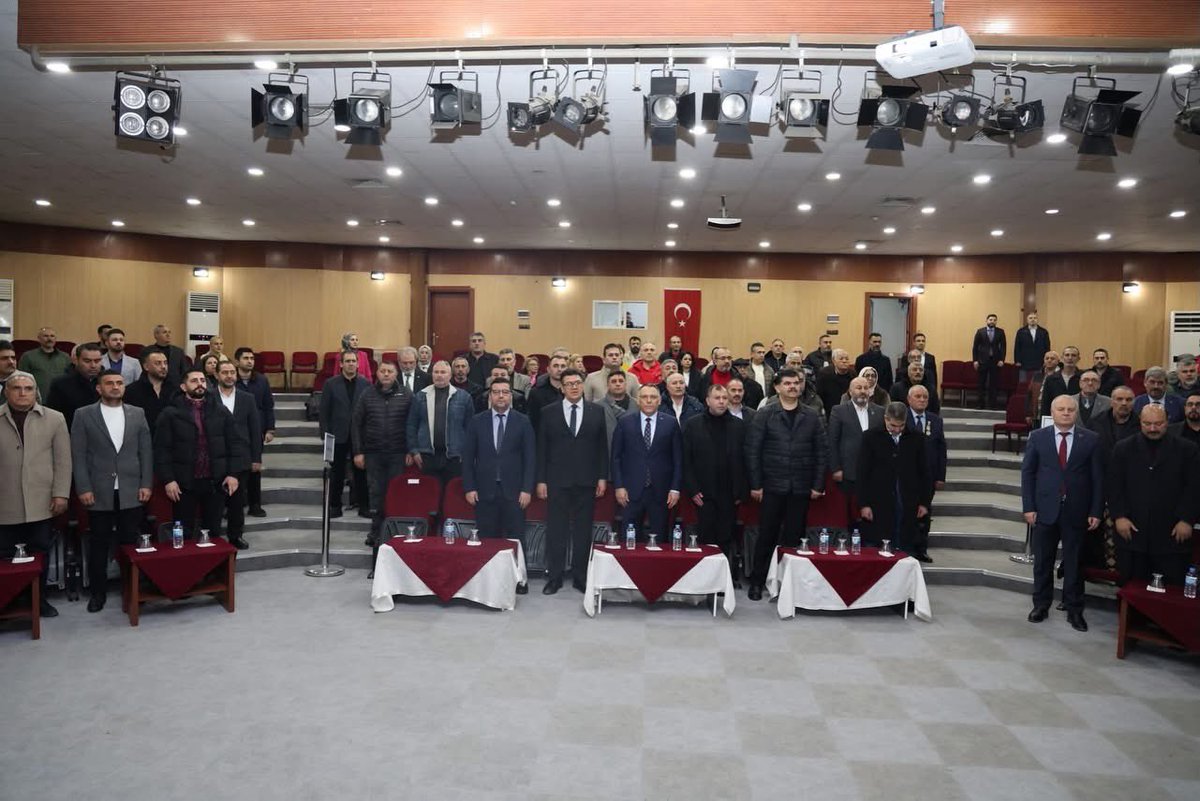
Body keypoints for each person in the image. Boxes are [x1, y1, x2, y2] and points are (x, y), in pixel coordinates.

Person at [71, 370, 153, 612]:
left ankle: (132, 587)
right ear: (99, 388)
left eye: (119, 383)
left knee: (130, 541)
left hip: (131, 489)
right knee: (99, 544)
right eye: (109, 383)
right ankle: (98, 593)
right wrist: (83, 487)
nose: (116, 387)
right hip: (98, 490)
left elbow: (146, 452)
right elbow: (78, 455)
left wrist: (146, 483)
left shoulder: (137, 413)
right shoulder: (84, 415)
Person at [1020, 395, 1104, 632]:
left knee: (1075, 563)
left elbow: (1098, 478)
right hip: (1044, 510)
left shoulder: (1091, 439)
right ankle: (1041, 605)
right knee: (1043, 562)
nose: (1066, 413)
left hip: (1077, 511)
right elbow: (1028, 474)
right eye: (1061, 409)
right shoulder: (1038, 437)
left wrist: (1096, 510)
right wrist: (1028, 506)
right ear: (1052, 412)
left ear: (1076, 413)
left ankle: (1074, 609)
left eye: (1070, 409)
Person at [744, 369, 827, 601]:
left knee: (794, 537)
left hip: (800, 487)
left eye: (796, 383)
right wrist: (756, 484)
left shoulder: (812, 415)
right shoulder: (765, 414)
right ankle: (758, 582)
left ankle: (789, 586)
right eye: (788, 383)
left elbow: (822, 452)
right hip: (771, 486)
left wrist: (818, 484)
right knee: (766, 536)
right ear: (777, 387)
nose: (793, 387)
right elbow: (753, 451)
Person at [0, 371, 70, 618]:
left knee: (39, 552)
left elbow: (63, 461)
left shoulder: (54, 418)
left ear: (35, 391)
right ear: (6, 392)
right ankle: (8, 600)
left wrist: (61, 494)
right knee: (6, 555)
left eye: (28, 388)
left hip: (42, 500)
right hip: (5, 501)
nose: (22, 393)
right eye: (16, 388)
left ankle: (39, 600)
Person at [1107, 404, 1200, 587]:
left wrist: (1187, 519)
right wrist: (1119, 516)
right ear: (1140, 422)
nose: (1152, 428)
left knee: (1171, 590)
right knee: (1132, 587)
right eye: (1147, 423)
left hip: (1172, 534)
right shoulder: (1123, 448)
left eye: (1158, 424)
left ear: (1167, 422)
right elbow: (1114, 486)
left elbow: (1194, 487)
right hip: (1132, 532)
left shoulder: (1187, 449)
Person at [535, 368, 608, 595]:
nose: (574, 387)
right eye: (569, 384)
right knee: (556, 531)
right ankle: (554, 577)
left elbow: (602, 448)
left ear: (583, 385)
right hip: (556, 481)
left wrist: (602, 477)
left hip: (587, 481)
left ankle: (580, 577)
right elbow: (542, 449)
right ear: (562, 387)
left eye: (578, 383)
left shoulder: (597, 411)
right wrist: (541, 480)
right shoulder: (548, 412)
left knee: (583, 532)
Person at [461, 376, 534, 594]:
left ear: (511, 396)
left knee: (516, 538)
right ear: (490, 395)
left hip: (514, 492)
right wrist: (469, 487)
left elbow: (530, 458)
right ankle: (488, 580)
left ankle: (519, 579)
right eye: (496, 392)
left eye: (505, 392)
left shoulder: (523, 421)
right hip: (484, 491)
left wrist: (527, 489)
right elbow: (468, 457)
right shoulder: (477, 421)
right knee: (487, 537)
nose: (501, 396)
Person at [154, 368, 239, 539]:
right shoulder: (170, 414)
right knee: (182, 532)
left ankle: (214, 565)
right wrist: (168, 479)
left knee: (213, 532)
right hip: (184, 482)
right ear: (183, 387)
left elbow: (235, 444)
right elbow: (161, 449)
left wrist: (233, 474)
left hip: (215, 481)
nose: (200, 384)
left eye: (202, 380)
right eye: (194, 380)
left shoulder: (221, 411)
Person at [683, 384, 748, 585]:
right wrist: (692, 490)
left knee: (726, 537)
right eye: (717, 397)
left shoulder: (739, 426)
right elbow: (686, 460)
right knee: (706, 537)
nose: (721, 401)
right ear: (707, 400)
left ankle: (722, 581)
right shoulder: (692, 425)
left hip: (730, 493)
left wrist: (741, 490)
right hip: (703, 494)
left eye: (724, 398)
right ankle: (704, 580)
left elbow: (745, 460)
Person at [611, 384, 683, 543]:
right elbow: (616, 457)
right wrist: (619, 486)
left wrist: (675, 488)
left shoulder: (671, 423)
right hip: (630, 491)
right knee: (628, 538)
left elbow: (678, 459)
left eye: (653, 397)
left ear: (659, 401)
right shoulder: (625, 422)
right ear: (638, 400)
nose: (649, 400)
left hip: (661, 491)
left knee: (660, 538)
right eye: (644, 397)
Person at [352, 361, 412, 548]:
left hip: (398, 453)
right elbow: (356, 424)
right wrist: (358, 452)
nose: (386, 374)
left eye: (390, 371)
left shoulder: (407, 395)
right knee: (376, 495)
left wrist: (411, 450)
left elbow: (413, 424)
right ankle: (376, 532)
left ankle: (395, 532)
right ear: (377, 373)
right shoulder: (367, 394)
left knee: (397, 494)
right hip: (373, 453)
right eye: (383, 371)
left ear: (396, 374)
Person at [857, 402, 931, 554]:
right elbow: (862, 472)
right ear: (885, 419)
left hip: (908, 500)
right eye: (893, 425)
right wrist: (864, 504)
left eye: (901, 426)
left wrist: (924, 503)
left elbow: (925, 472)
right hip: (879, 500)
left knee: (905, 544)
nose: (897, 430)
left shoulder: (917, 438)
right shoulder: (870, 437)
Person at [214, 361, 260, 549]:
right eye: (225, 372)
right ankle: (214, 536)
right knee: (215, 502)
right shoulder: (209, 397)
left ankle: (235, 535)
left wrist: (256, 458)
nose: (229, 376)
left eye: (232, 372)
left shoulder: (247, 398)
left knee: (237, 501)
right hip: (215, 457)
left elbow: (255, 429)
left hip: (241, 456)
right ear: (217, 375)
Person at [319, 351, 370, 519]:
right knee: (337, 473)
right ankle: (334, 506)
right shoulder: (330, 384)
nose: (351, 364)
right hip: (337, 435)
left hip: (359, 436)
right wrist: (325, 435)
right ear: (341, 364)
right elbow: (324, 412)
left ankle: (364, 506)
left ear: (358, 364)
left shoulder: (365, 384)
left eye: (353, 361)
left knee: (361, 473)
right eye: (347, 361)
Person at [407, 360, 473, 486]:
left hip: (454, 456)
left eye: (443, 372)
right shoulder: (420, 396)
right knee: (430, 495)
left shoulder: (464, 397)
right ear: (432, 375)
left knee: (451, 495)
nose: (439, 375)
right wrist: (414, 450)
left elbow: (470, 428)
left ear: (450, 375)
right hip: (427, 455)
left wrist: (467, 452)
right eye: (436, 372)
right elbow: (411, 425)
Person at [829, 377, 885, 524]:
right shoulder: (838, 411)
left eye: (866, 388)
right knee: (848, 515)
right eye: (858, 388)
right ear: (850, 391)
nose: (862, 391)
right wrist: (835, 468)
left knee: (870, 515)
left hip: (872, 472)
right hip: (847, 472)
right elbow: (832, 441)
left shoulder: (880, 412)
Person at [234, 348, 276, 517]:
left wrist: (270, 429)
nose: (250, 361)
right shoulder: (230, 379)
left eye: (251, 358)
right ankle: (233, 505)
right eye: (246, 358)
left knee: (255, 468)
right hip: (235, 430)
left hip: (256, 430)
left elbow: (268, 406)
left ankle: (255, 504)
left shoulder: (261, 380)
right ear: (237, 361)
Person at [906, 385, 945, 562]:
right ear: (909, 399)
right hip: (907, 475)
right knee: (907, 512)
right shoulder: (902, 418)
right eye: (918, 396)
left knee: (925, 513)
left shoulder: (935, 420)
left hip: (928, 477)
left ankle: (922, 548)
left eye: (925, 397)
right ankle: (906, 547)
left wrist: (940, 476)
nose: (922, 400)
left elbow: (941, 449)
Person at [46, 342, 105, 430]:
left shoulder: (110, 382)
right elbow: (53, 416)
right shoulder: (60, 384)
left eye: (97, 361)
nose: (93, 365)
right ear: (75, 360)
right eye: (87, 361)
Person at [123, 350, 176, 436]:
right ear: (146, 366)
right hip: (142, 437)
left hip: (170, 438)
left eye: (165, 363)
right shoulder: (131, 391)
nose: (163, 367)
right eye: (158, 363)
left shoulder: (176, 389)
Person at [19, 327, 70, 400]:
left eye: (52, 336)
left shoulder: (65, 357)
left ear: (55, 339)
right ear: (39, 339)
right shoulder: (28, 356)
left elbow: (70, 378)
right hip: (36, 399)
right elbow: (22, 379)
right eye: (46, 336)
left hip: (60, 399)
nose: (49, 339)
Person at [971, 313, 1007, 410]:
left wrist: (1002, 359)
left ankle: (992, 405)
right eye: (990, 319)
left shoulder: (1000, 332)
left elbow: (1003, 347)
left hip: (995, 361)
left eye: (994, 320)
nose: (992, 321)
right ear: (986, 321)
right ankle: (980, 404)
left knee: (993, 384)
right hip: (982, 361)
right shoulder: (980, 331)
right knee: (981, 383)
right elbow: (975, 347)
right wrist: (975, 360)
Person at [527, 353, 567, 434]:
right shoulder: (536, 393)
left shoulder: (573, 392)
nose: (559, 369)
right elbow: (532, 422)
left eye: (563, 366)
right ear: (548, 369)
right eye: (555, 366)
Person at [1040, 345, 1082, 417]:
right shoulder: (1051, 379)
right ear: (1062, 358)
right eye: (1067, 355)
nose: (1070, 358)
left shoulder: (1083, 378)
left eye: (1073, 355)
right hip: (1056, 417)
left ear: (1078, 359)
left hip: (1077, 417)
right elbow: (1045, 404)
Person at [816, 348, 855, 420]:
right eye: (841, 359)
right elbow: (819, 394)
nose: (844, 361)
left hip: (849, 411)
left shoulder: (853, 374)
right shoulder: (824, 374)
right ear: (834, 361)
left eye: (846, 359)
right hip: (829, 410)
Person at [1013, 312, 1051, 383]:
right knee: (1023, 383)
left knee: (1037, 383)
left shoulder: (1043, 332)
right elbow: (1017, 347)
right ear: (1027, 320)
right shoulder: (1021, 331)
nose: (1033, 320)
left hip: (1039, 362)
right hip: (1024, 362)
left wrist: (1046, 360)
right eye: (1030, 318)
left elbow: (1047, 347)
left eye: (1035, 318)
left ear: (1037, 320)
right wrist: (1017, 361)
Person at [1026, 350, 1061, 426]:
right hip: (1037, 414)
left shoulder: (1060, 376)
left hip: (1053, 415)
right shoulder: (1037, 375)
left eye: (1052, 358)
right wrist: (1029, 413)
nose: (1049, 360)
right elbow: (1030, 395)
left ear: (1058, 361)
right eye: (1047, 358)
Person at [599, 370, 633, 443]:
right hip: (606, 449)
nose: (618, 384)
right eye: (613, 381)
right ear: (608, 385)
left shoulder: (637, 405)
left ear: (626, 384)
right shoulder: (597, 406)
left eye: (621, 381)